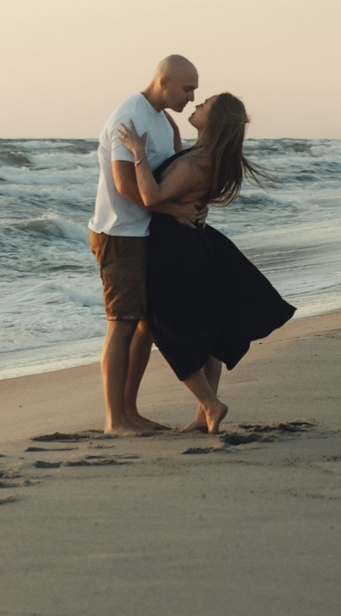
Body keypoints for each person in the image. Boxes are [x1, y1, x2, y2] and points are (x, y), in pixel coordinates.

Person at [114, 93, 296, 433]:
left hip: (174, 250)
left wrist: (137, 153)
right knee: (208, 327)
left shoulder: (197, 164)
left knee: (166, 329)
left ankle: (210, 405)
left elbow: (151, 196)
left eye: (205, 104)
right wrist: (164, 116)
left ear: (214, 121)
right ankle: (203, 415)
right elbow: (176, 160)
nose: (196, 105)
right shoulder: (205, 158)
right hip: (195, 244)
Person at [90, 55, 206, 434]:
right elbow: (125, 186)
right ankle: (114, 420)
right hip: (119, 233)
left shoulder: (163, 120)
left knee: (145, 326)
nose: (192, 96)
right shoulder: (130, 116)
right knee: (121, 324)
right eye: (187, 88)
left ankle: (130, 413)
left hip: (146, 233)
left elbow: (171, 174)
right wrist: (176, 211)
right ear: (164, 80)